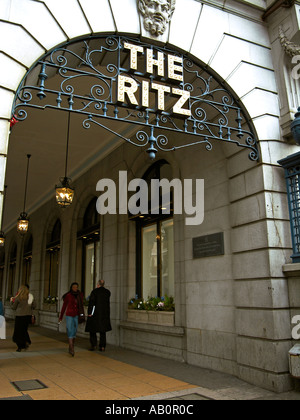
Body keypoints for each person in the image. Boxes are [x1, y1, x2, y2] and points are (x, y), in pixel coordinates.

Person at [58, 282, 85, 357]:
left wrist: (82, 316)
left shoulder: (80, 295)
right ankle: (71, 347)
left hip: (76, 315)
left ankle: (71, 344)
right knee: (70, 329)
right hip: (69, 315)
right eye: (74, 287)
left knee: (74, 330)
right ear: (71, 288)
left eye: (76, 287)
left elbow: (81, 306)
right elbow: (64, 306)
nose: (75, 288)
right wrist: (60, 317)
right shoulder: (68, 296)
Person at [85, 280, 112, 352]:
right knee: (103, 331)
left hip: (95, 315)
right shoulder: (107, 292)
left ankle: (94, 345)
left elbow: (92, 303)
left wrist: (90, 313)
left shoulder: (95, 292)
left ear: (98, 284)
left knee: (92, 330)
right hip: (104, 315)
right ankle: (102, 346)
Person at [10, 285, 36, 352]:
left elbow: (13, 307)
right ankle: (26, 342)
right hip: (27, 316)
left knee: (18, 332)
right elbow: (34, 306)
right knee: (24, 330)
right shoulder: (30, 297)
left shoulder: (18, 298)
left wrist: (11, 301)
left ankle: (20, 347)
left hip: (19, 316)